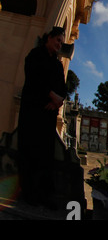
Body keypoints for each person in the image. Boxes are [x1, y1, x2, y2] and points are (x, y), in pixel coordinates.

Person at [17, 27, 67, 209]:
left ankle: (44, 195)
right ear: (49, 38)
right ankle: (29, 193)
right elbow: (33, 79)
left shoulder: (57, 64)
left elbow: (63, 88)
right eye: (58, 41)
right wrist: (50, 95)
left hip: (47, 116)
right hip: (32, 113)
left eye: (62, 43)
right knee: (29, 153)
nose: (59, 45)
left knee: (45, 156)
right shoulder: (35, 55)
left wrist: (57, 102)